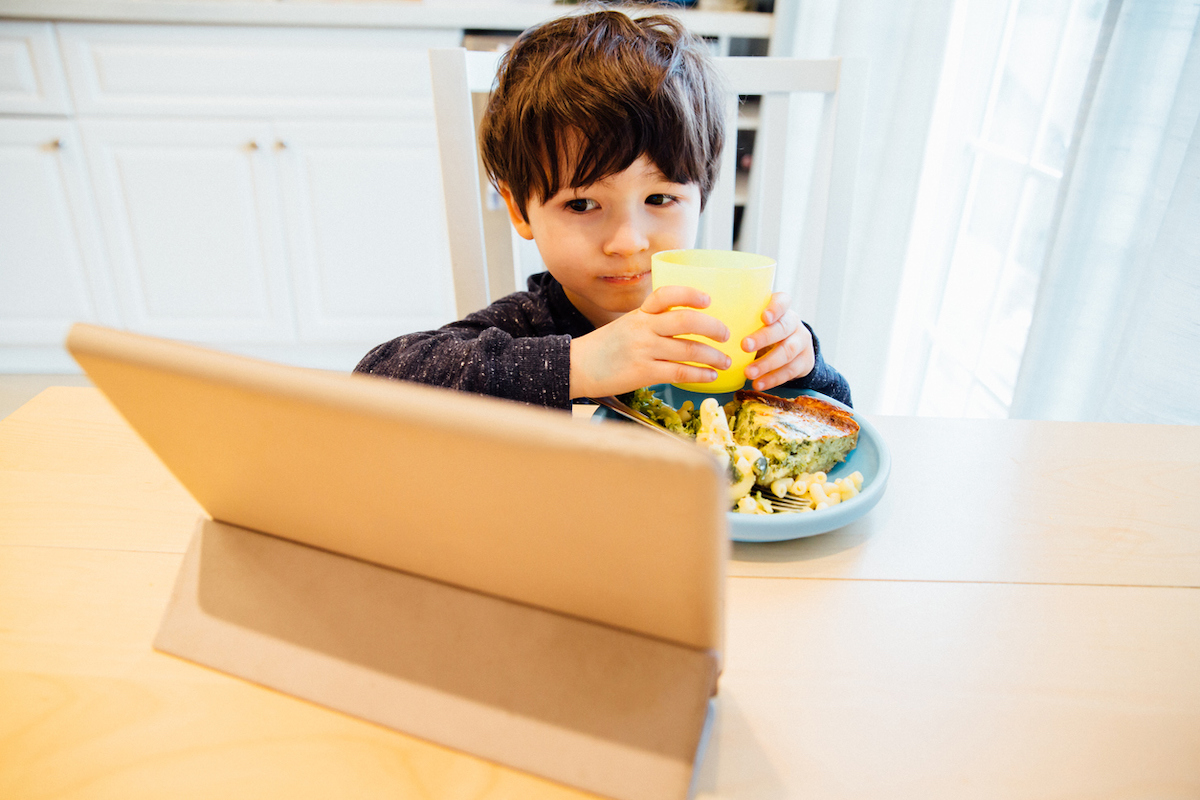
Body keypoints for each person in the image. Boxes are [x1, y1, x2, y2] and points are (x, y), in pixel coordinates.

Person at [355, 8, 851, 409]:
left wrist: (803, 365)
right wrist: (580, 363)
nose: (628, 241)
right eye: (583, 203)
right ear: (520, 210)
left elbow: (842, 417)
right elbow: (375, 380)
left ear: (701, 197)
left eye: (659, 198)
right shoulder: (529, 325)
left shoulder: (728, 325)